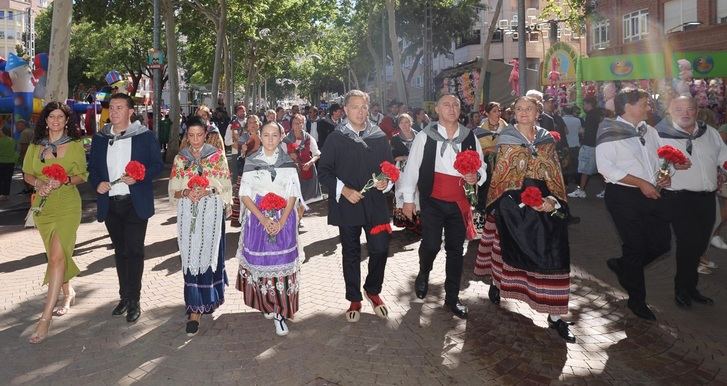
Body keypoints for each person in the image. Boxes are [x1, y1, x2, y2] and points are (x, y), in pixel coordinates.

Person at [475, 95, 575, 341]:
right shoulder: (507, 139)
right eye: (518, 109)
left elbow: (554, 173)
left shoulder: (546, 140)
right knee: (506, 247)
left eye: (528, 109)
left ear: (537, 112)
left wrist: (551, 201)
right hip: (511, 201)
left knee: (554, 252)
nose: (523, 113)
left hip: (545, 202)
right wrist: (508, 202)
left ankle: (556, 315)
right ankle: (498, 284)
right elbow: (501, 175)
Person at [399, 94, 487, 320]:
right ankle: (423, 272)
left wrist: (476, 175)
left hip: (459, 203)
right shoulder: (425, 136)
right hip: (432, 201)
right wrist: (408, 199)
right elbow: (412, 169)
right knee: (430, 244)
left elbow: (482, 167)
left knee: (456, 251)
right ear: (437, 109)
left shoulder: (469, 137)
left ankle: (452, 298)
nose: (452, 108)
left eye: (456, 104)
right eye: (446, 104)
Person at [596, 88, 672, 321]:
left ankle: (624, 266)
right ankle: (637, 301)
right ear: (627, 106)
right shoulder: (609, 130)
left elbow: (660, 158)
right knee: (635, 246)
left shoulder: (649, 131)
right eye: (644, 103)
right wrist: (640, 182)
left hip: (653, 193)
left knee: (662, 244)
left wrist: (665, 174)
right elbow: (605, 168)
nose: (649, 108)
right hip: (623, 197)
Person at [318, 90, 394, 323]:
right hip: (348, 204)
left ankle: (372, 289)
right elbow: (324, 172)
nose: (360, 112)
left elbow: (388, 168)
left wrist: (386, 182)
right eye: (355, 107)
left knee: (380, 249)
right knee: (350, 253)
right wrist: (343, 190)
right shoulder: (336, 137)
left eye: (364, 107)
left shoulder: (378, 136)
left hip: (375, 204)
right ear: (345, 110)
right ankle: (354, 298)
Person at [89, 93, 164, 323]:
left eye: (119, 107)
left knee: (134, 251)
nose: (114, 112)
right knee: (120, 252)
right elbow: (93, 168)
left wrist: (140, 178)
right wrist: (97, 183)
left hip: (135, 203)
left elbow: (157, 166)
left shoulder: (143, 136)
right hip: (110, 203)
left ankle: (135, 300)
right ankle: (124, 296)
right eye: (111, 108)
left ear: (130, 111)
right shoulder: (101, 138)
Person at [22, 102, 87, 343]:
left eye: (60, 116)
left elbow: (83, 175)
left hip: (68, 205)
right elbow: (28, 173)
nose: (56, 121)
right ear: (46, 121)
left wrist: (66, 180)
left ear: (66, 120)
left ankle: (45, 319)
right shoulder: (35, 146)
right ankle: (67, 291)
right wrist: (38, 184)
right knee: (54, 255)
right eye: (52, 117)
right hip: (43, 206)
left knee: (58, 257)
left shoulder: (75, 145)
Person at [235, 122, 304, 336]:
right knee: (263, 263)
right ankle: (267, 303)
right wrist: (263, 219)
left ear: (281, 137)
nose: (270, 139)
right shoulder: (251, 161)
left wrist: (282, 221)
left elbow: (293, 195)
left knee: (281, 264)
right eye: (266, 135)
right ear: (260, 136)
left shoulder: (287, 163)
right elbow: (245, 194)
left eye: (275, 135)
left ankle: (280, 312)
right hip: (258, 220)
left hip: (284, 219)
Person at [656, 96, 723, 308]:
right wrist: (669, 170)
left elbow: (723, 155)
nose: (685, 113)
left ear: (696, 110)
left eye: (690, 109)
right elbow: (657, 167)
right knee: (687, 245)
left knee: (701, 244)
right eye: (679, 109)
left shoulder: (709, 132)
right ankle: (682, 290)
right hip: (679, 199)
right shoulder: (660, 135)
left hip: (707, 198)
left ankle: (691, 287)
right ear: (670, 111)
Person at [169, 117, 233, 336]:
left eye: (199, 135)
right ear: (186, 136)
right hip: (188, 212)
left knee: (208, 255)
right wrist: (186, 192)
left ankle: (209, 298)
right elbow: (173, 190)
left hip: (211, 212)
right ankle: (193, 310)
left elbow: (225, 187)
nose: (195, 140)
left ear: (206, 135)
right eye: (191, 135)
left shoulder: (216, 157)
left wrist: (208, 190)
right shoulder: (181, 159)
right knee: (189, 257)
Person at [231, 114, 262, 227]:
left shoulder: (264, 136)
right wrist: (243, 150)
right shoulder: (244, 137)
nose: (253, 125)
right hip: (245, 171)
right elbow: (240, 153)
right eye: (250, 123)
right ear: (247, 125)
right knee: (244, 196)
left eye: (255, 122)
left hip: (261, 172)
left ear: (259, 124)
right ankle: (244, 222)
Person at [390, 113, 420, 233]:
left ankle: (417, 221)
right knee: (402, 193)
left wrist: (407, 157)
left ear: (411, 122)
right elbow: (394, 156)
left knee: (417, 193)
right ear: (399, 125)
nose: (405, 125)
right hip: (401, 171)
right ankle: (406, 220)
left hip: (417, 169)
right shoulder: (395, 138)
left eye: (407, 122)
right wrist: (406, 157)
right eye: (402, 123)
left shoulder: (418, 136)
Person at [569, 98, 604, 198]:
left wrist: (583, 132)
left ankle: (581, 190)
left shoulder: (591, 115)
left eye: (584, 104)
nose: (583, 107)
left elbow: (589, 131)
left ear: (589, 104)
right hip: (597, 145)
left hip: (589, 145)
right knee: (601, 170)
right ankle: (606, 189)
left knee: (584, 169)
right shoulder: (599, 114)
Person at [286, 113, 323, 207]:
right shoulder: (286, 139)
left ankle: (300, 218)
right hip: (291, 172)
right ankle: (295, 219)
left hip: (307, 170)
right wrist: (289, 156)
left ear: (303, 124)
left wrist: (310, 162)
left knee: (304, 198)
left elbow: (317, 154)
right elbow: (280, 156)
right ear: (291, 124)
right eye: (295, 123)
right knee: (292, 198)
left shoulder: (308, 138)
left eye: (300, 123)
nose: (297, 125)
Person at [561, 105, 582, 186]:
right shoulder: (577, 120)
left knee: (565, 165)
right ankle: (576, 181)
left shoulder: (562, 119)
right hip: (575, 144)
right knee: (575, 164)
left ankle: (566, 182)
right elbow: (580, 132)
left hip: (566, 145)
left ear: (564, 111)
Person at [0, 126, 17, 200]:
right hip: (11, 162)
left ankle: (1, 194)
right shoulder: (13, 140)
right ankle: (6, 194)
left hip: (1, 161)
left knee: (1, 179)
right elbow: (15, 150)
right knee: (8, 179)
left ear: (3, 132)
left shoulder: (1, 141)